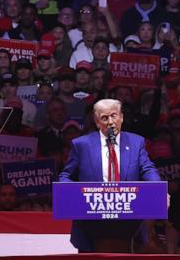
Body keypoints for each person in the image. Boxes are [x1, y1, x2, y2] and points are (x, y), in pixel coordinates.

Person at [58, 98, 161, 251]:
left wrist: (157, 190)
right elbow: (66, 175)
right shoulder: (81, 145)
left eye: (114, 116)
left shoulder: (136, 142)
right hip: (91, 220)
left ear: (122, 117)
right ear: (97, 121)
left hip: (128, 219)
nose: (110, 122)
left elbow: (147, 169)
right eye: (105, 118)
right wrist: (68, 193)